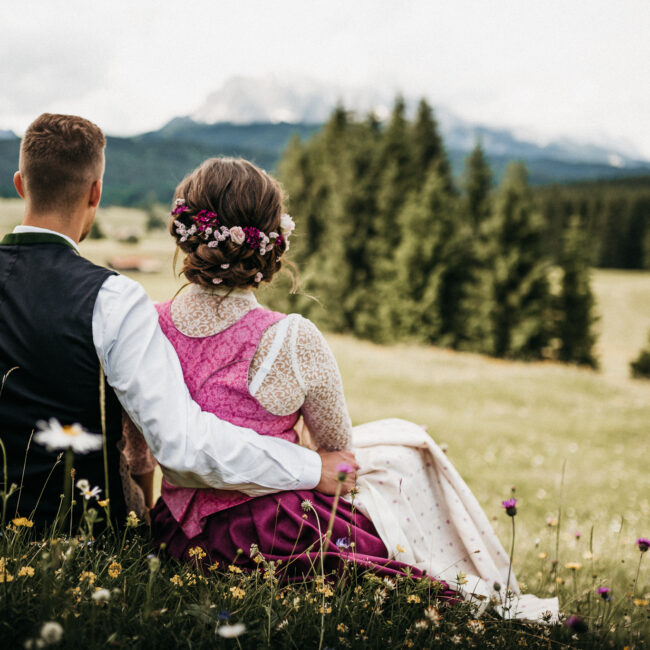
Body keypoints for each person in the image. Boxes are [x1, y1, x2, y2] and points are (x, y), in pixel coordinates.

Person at [124, 157, 559, 621]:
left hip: (176, 536)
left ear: (185, 233)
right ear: (273, 243)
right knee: (402, 459)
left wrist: (152, 531)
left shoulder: (146, 326)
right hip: (274, 533)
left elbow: (138, 458)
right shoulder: (291, 338)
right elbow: (339, 462)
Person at [0, 113, 355, 531]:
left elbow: (143, 453)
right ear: (96, 192)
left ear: (20, 184)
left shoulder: (146, 313)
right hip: (83, 525)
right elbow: (181, 447)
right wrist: (314, 467)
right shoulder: (111, 298)